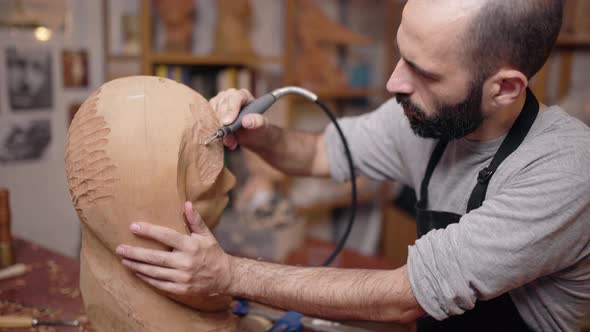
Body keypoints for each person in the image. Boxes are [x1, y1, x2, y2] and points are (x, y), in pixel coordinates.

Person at [115, 0, 590, 331]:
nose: (392, 81)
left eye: (422, 70)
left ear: (505, 88)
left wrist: (229, 275)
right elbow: (318, 154)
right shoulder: (426, 117)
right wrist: (262, 135)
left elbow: (403, 297)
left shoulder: (566, 169)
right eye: (401, 53)